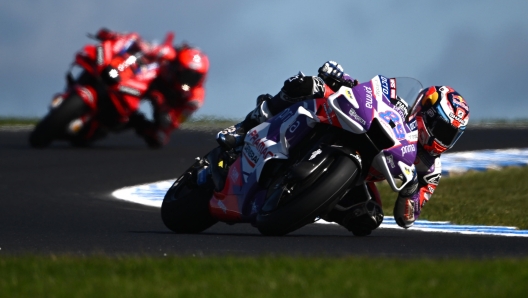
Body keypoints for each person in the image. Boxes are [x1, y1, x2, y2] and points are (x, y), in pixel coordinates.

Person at [216, 62, 470, 236]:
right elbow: (368, 92)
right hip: (345, 126)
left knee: (369, 219)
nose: (443, 140)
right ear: (426, 110)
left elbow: (408, 217)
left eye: (451, 136)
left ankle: (311, 204)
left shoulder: (430, 167)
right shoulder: (399, 102)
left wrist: (412, 190)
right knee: (308, 85)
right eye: (443, 129)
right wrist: (341, 79)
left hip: (360, 176)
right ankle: (242, 129)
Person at [93, 28, 210, 148]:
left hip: (164, 101)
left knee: (159, 138)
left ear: (201, 79)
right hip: (151, 80)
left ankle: (132, 120)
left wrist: (167, 115)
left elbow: (177, 119)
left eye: (193, 77)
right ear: (177, 66)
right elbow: (145, 47)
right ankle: (111, 70)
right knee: (132, 45)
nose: (187, 80)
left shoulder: (195, 98)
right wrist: (139, 45)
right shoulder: (167, 54)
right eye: (185, 73)